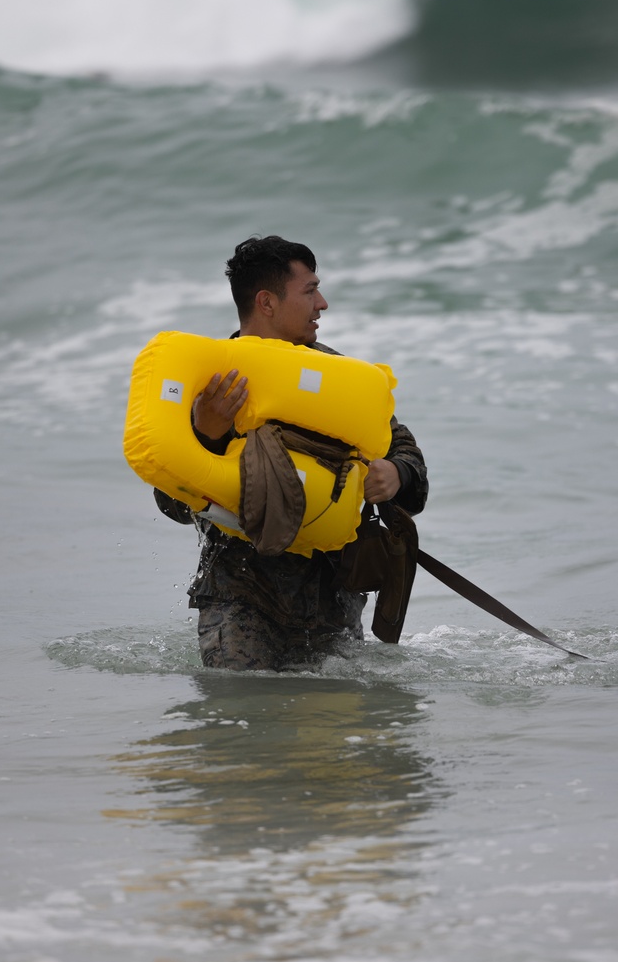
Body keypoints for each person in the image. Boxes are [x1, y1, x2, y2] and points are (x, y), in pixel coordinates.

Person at [155, 236, 428, 670]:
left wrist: (396, 473)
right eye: (309, 290)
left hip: (334, 600)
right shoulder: (209, 383)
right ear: (267, 302)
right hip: (241, 599)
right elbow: (171, 502)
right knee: (242, 722)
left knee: (337, 732)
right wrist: (208, 433)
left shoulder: (339, 376)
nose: (322, 303)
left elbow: (409, 458)